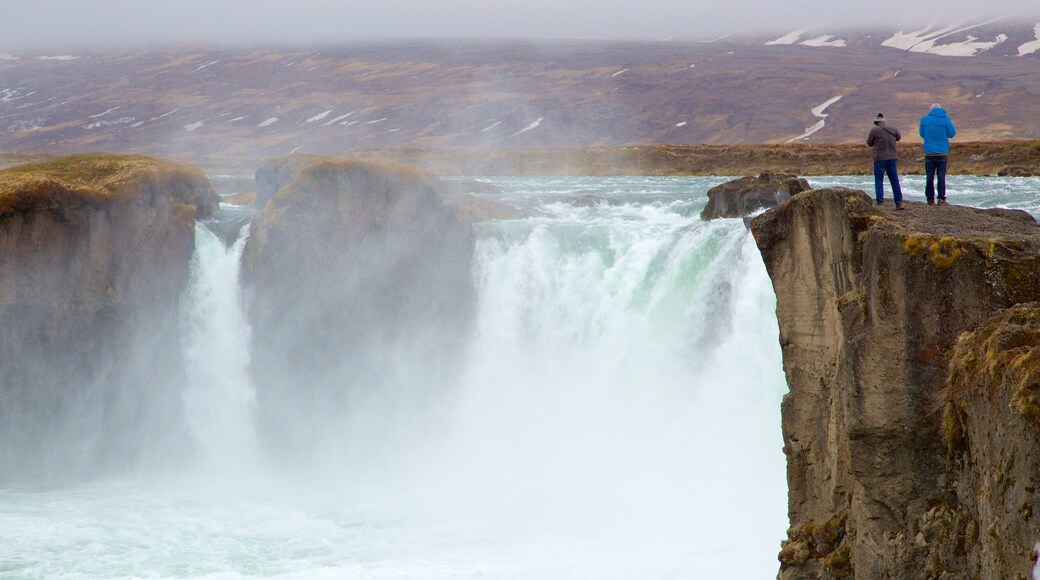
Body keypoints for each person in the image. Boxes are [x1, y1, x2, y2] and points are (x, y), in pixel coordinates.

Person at [919, 103, 956, 205]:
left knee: (929, 177)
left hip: (929, 153)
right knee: (941, 176)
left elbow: (921, 134)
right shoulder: (945, 119)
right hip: (942, 152)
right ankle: (941, 199)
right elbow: (952, 134)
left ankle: (930, 199)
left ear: (930, 110)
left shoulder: (924, 119)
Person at [866, 112, 903, 209]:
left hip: (880, 158)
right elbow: (898, 137)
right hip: (892, 158)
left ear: (876, 122)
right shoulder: (893, 128)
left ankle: (880, 203)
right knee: (894, 180)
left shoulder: (874, 130)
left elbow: (869, 143)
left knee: (879, 180)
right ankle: (899, 203)